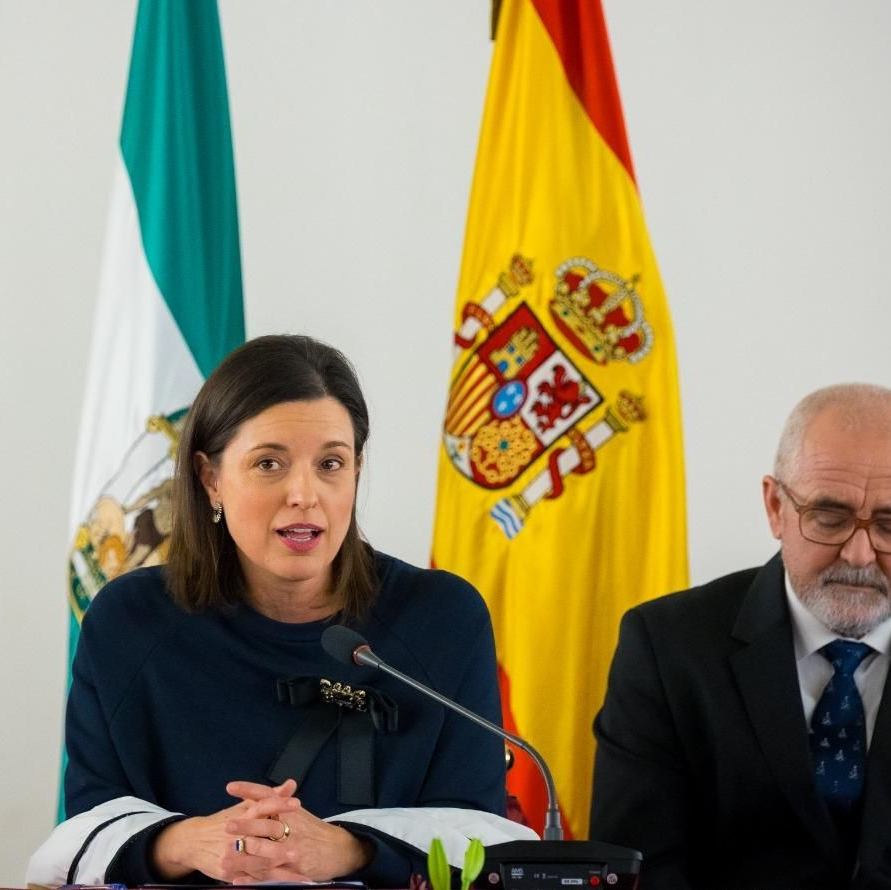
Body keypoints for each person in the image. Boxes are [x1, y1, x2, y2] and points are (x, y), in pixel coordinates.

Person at [28, 335, 532, 887]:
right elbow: (87, 832)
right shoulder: (130, 621)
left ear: (357, 471)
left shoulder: (441, 618)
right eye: (270, 463)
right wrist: (190, 841)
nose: (304, 493)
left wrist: (347, 849)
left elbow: (483, 838)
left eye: (331, 463)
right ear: (210, 477)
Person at [590, 383, 891, 889]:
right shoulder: (666, 648)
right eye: (830, 517)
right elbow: (637, 872)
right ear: (775, 507)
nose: (859, 554)